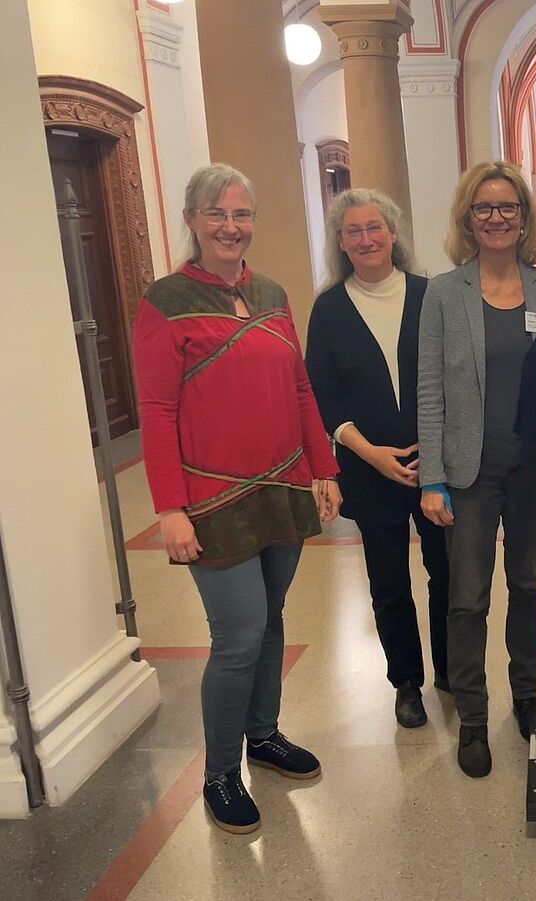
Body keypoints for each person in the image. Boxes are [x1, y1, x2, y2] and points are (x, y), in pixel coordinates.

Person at [133, 163, 341, 835]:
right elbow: (157, 410)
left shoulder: (272, 293)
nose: (231, 226)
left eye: (241, 214)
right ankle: (220, 772)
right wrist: (169, 508)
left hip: (281, 485)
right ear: (192, 220)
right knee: (238, 634)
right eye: (217, 213)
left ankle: (264, 734)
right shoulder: (165, 301)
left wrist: (324, 467)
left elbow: (300, 388)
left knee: (271, 620)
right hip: (211, 498)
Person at [416, 161, 536, 778]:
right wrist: (431, 477)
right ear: (467, 218)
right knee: (467, 598)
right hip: (469, 473)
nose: (496, 218)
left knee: (529, 587)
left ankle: (527, 697)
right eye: (484, 208)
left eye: (508, 207)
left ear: (525, 217)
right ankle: (474, 720)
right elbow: (430, 389)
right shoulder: (443, 293)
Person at [305, 188, 450, 730]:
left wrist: (435, 451)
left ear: (392, 234)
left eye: (374, 228)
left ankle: (451, 672)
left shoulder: (430, 295)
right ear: (341, 243)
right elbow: (323, 396)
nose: (365, 239)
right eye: (353, 231)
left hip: (435, 467)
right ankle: (406, 683)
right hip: (369, 470)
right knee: (389, 583)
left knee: (448, 574)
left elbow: (452, 377)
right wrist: (370, 454)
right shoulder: (328, 309)